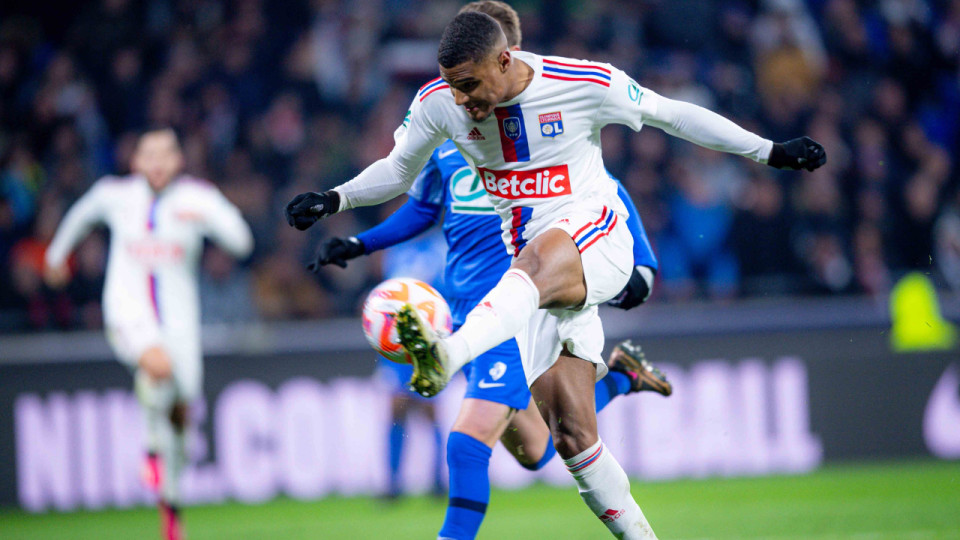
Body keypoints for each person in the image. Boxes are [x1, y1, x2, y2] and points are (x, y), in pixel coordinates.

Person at [286, 11, 826, 539]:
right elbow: (398, 171)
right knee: (567, 438)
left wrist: (769, 151)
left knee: (536, 262)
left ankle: (448, 354)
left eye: (470, 84)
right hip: (535, 285)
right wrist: (335, 200)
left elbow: (674, 115)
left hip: (595, 235)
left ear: (505, 60)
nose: (463, 100)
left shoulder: (583, 83)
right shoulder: (439, 105)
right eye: (453, 87)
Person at [309, 3, 669, 538]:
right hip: (464, 304)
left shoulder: (549, 136)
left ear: (509, 58)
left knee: (466, 439)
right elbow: (425, 208)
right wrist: (361, 242)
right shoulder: (452, 136)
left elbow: (606, 194)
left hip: (518, 303)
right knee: (536, 447)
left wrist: (642, 260)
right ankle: (618, 378)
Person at [45, 128, 253, 540]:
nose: (157, 162)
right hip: (127, 313)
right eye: (148, 155)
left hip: (181, 324)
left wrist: (211, 218)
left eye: (165, 154)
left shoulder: (198, 199)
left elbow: (242, 241)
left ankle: (171, 505)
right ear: (136, 161)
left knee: (182, 412)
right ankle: (149, 445)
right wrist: (55, 255)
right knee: (156, 364)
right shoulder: (114, 195)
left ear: (178, 160)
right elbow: (79, 215)